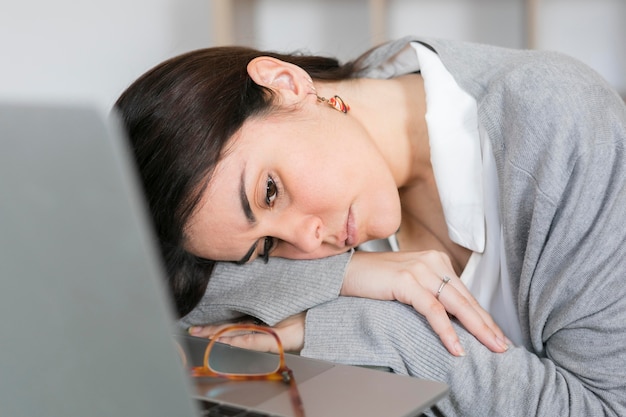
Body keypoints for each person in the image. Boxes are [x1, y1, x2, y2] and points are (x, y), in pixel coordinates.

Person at [115, 36, 626, 416]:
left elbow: (603, 407)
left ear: (287, 84)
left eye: (269, 191)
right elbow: (159, 319)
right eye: (267, 246)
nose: (309, 240)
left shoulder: (564, 132)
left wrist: (389, 328)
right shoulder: (329, 208)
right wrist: (352, 275)